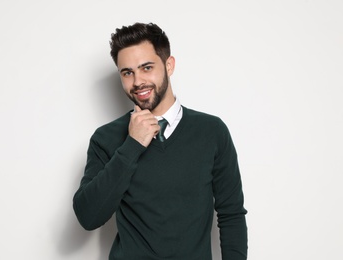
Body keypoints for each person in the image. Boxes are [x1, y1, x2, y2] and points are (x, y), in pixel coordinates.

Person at [73, 22, 248, 260]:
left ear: (169, 65)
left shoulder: (211, 131)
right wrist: (132, 146)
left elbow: (231, 214)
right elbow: (89, 216)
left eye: (146, 68)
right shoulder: (106, 138)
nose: (137, 82)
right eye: (127, 72)